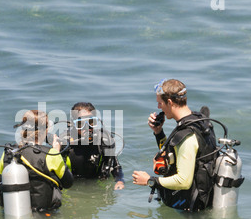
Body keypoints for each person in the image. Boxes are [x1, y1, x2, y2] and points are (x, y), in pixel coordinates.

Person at [132, 79, 217, 211]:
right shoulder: (198, 121)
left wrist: (150, 180)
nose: (159, 107)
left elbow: (183, 181)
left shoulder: (187, 136)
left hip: (189, 210)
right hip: (201, 200)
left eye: (160, 103)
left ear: (170, 102)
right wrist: (158, 132)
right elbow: (173, 155)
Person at [0, 110, 74, 212]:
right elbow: (68, 183)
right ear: (46, 131)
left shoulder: (8, 152)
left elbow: (0, 180)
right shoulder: (50, 154)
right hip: (44, 215)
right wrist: (57, 152)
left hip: (11, 211)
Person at [60, 102, 125, 190]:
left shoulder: (104, 140)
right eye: (81, 123)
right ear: (73, 123)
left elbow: (115, 166)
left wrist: (120, 181)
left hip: (97, 185)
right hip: (71, 186)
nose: (87, 127)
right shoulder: (65, 142)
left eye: (91, 122)